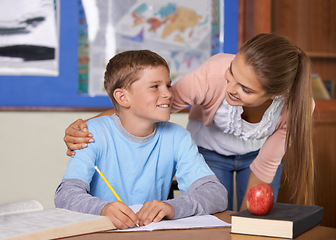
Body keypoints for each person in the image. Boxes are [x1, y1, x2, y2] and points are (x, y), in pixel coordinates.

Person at [63, 33, 315, 211]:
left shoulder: (296, 108)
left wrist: (173, 208)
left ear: (273, 94)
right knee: (220, 216)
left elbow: (241, 180)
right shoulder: (212, 73)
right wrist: (85, 127)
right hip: (209, 151)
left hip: (257, 157)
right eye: (231, 73)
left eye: (246, 88)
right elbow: (141, 109)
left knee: (252, 219)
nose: (230, 88)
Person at [55, 50, 228, 230]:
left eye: (168, 85)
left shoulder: (178, 137)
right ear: (123, 97)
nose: (168, 94)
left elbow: (216, 193)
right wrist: (102, 209)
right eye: (155, 86)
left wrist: (173, 207)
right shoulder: (92, 134)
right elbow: (65, 194)